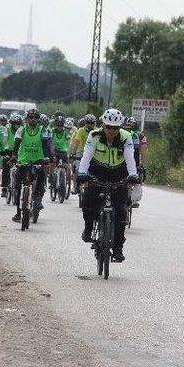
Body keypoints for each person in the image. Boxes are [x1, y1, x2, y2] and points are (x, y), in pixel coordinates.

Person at [77, 108, 139, 262]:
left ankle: (118, 248)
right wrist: (82, 173)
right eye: (108, 127)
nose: (111, 131)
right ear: (103, 125)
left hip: (119, 172)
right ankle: (89, 228)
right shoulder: (94, 135)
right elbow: (86, 156)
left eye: (115, 128)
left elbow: (130, 158)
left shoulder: (126, 137)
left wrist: (133, 175)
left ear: (120, 127)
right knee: (88, 202)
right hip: (97, 171)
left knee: (121, 212)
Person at [10, 108, 52, 222]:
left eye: (35, 117)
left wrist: (46, 157)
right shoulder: (21, 130)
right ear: (27, 118)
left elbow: (45, 144)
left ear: (38, 119)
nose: (33, 119)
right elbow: (16, 143)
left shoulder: (42, 129)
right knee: (18, 187)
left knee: (41, 176)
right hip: (23, 160)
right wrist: (14, 155)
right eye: (30, 117)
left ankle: (38, 197)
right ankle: (18, 213)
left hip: (38, 160)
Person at [69, 113, 97, 193]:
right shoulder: (80, 131)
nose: (90, 125)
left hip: (94, 153)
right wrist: (73, 153)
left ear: (94, 123)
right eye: (88, 122)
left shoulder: (97, 131)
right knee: (77, 168)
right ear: (85, 123)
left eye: (92, 123)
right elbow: (75, 143)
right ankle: (75, 186)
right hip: (81, 152)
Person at [1, 113, 22, 197]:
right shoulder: (7, 129)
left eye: (18, 123)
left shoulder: (22, 130)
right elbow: (4, 139)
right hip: (8, 151)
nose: (16, 125)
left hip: (19, 152)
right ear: (11, 123)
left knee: (21, 169)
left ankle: (18, 187)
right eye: (14, 123)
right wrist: (2, 149)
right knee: (6, 167)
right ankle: (4, 188)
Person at [49, 115, 71, 192]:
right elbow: (50, 141)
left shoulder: (66, 131)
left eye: (61, 125)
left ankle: (67, 179)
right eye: (58, 125)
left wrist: (69, 151)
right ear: (56, 125)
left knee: (67, 166)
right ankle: (51, 178)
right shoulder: (52, 131)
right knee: (53, 164)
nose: (60, 127)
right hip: (55, 150)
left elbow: (69, 141)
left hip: (64, 151)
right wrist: (52, 152)